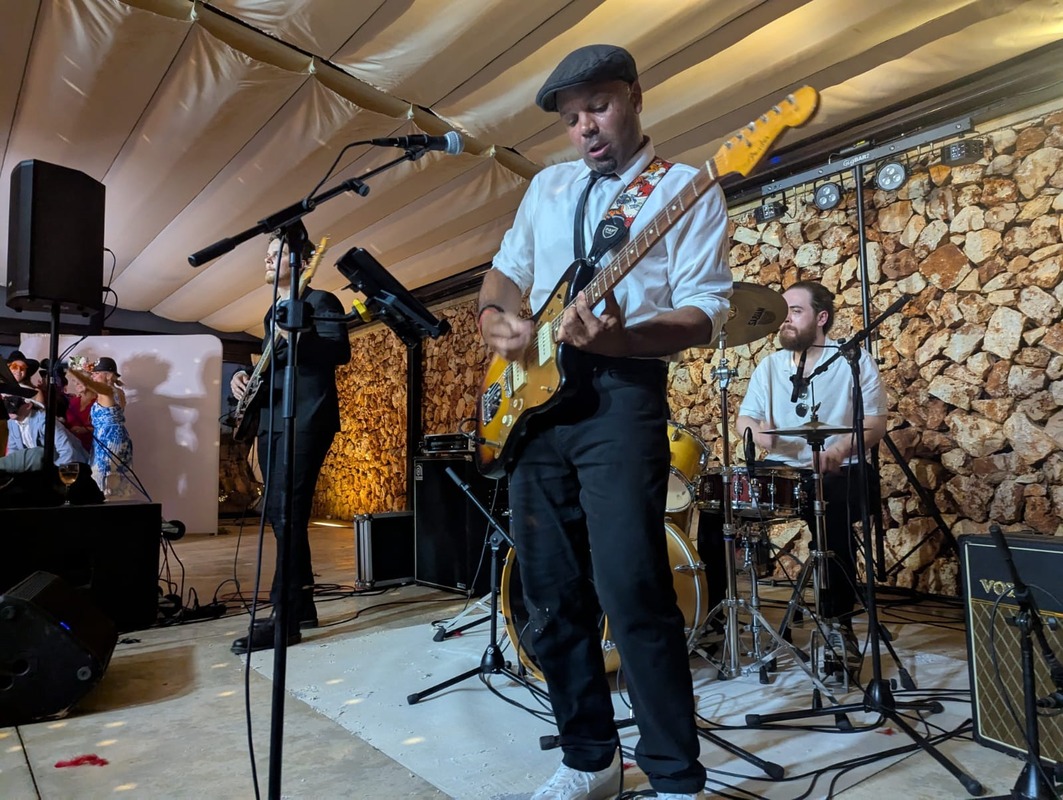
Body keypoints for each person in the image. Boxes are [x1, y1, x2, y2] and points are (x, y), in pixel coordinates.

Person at [478, 44, 731, 800]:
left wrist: (621, 339)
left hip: (620, 393)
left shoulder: (684, 189)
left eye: (598, 106)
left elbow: (705, 311)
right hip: (534, 408)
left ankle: (675, 776)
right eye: (570, 117)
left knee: (633, 587)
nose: (584, 126)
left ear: (635, 97)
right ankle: (589, 759)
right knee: (549, 594)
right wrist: (495, 317)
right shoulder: (547, 187)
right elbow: (507, 271)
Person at [732, 280, 887, 680]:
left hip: (843, 469)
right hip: (783, 469)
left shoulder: (853, 360)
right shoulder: (770, 366)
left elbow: (874, 423)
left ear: (821, 318)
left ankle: (838, 625)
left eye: (795, 311)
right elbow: (744, 417)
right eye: (783, 312)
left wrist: (838, 451)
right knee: (721, 505)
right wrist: (756, 433)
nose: (785, 319)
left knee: (831, 513)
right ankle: (721, 616)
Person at [229, 231, 351, 655]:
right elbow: (273, 367)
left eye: (276, 253)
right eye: (266, 255)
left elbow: (337, 351)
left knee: (290, 512)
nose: (267, 260)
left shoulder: (320, 301)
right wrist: (242, 378)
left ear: (300, 260)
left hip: (306, 418)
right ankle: (302, 608)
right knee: (283, 518)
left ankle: (285, 618)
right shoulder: (270, 313)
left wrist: (297, 334)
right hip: (272, 421)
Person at [69, 357, 135, 498]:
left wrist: (71, 369)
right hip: (111, 437)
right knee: (112, 479)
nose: (93, 376)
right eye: (93, 373)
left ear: (108, 375)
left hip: (110, 440)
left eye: (97, 373)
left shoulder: (108, 391)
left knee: (104, 478)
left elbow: (89, 383)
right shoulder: (117, 391)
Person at [64, 367, 97, 455]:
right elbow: (68, 424)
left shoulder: (98, 402)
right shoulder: (73, 401)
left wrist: (85, 430)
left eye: (80, 380)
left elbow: (106, 429)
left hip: (93, 449)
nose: (76, 384)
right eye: (74, 381)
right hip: (73, 449)